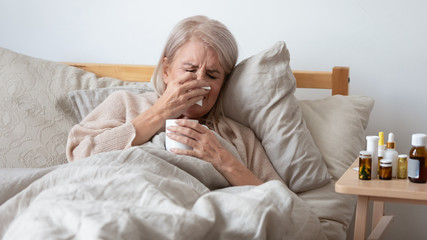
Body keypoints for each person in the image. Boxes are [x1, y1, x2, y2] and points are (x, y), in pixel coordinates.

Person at [67, 15, 280, 186]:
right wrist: (160, 112)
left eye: (212, 75)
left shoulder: (238, 136)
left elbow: (283, 205)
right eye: (189, 69)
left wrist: (223, 159)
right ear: (167, 71)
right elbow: (79, 159)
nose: (199, 82)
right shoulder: (125, 103)